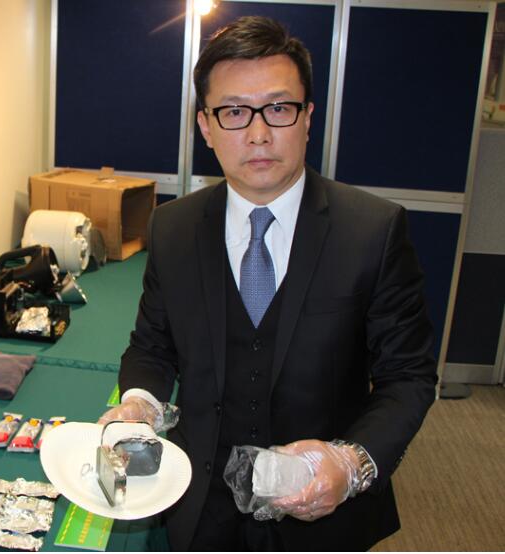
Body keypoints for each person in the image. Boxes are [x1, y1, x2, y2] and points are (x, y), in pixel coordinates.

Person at [100, 15, 437, 551]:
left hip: (323, 516)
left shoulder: (373, 230)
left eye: (278, 108)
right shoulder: (173, 227)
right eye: (234, 112)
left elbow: (409, 378)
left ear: (307, 118)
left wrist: (351, 463)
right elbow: (152, 347)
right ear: (206, 126)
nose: (258, 134)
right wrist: (139, 404)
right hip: (198, 501)